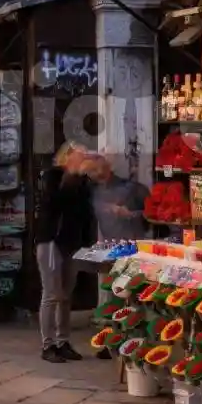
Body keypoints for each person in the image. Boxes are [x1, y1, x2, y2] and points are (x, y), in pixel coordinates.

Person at [35, 143, 97, 363]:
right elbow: (54, 203)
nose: (83, 160)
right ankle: (48, 344)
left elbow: (85, 213)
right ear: (68, 158)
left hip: (71, 243)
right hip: (51, 241)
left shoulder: (82, 182)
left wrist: (89, 242)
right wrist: (72, 175)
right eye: (80, 156)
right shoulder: (52, 177)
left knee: (65, 295)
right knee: (51, 293)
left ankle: (63, 342)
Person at [89, 155, 150, 359]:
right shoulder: (93, 191)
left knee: (131, 296)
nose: (96, 174)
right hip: (109, 250)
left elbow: (151, 215)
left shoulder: (132, 188)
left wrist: (131, 215)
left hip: (133, 249)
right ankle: (110, 343)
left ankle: (131, 340)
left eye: (99, 169)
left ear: (109, 167)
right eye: (92, 170)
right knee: (110, 297)